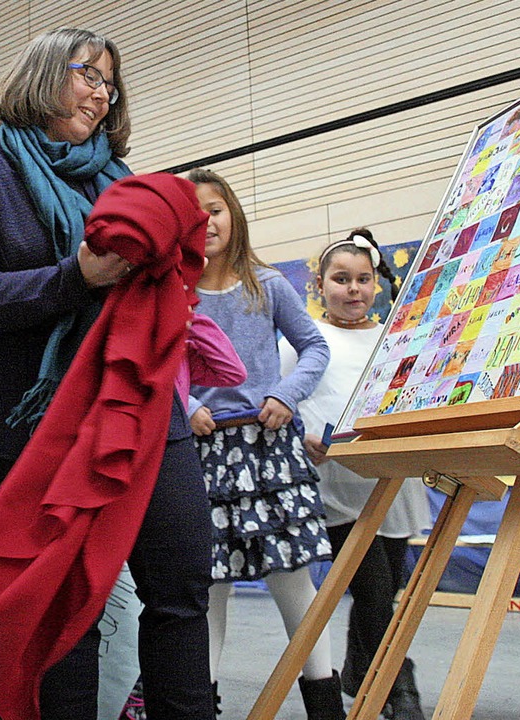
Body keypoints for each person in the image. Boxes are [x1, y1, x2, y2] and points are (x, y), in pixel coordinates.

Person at [0, 28, 213, 720]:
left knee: (180, 585)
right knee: (63, 609)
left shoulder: (124, 183)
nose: (100, 92)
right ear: (42, 73)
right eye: (87, 74)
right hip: (33, 424)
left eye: (108, 83)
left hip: (137, 412)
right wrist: (76, 276)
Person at [186, 168, 343, 720]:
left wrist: (286, 393)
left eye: (216, 209)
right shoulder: (175, 295)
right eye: (194, 211)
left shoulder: (267, 284)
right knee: (209, 590)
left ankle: (325, 704)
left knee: (291, 579)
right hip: (204, 456)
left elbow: (314, 347)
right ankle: (200, 704)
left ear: (234, 214)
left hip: (270, 450)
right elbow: (159, 367)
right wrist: (188, 408)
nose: (205, 221)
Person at [280, 228, 429, 720]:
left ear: (375, 284)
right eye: (341, 279)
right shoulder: (303, 339)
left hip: (392, 482)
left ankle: (359, 664)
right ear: (320, 284)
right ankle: (398, 690)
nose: (353, 289)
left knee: (385, 588)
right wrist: (302, 437)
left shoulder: (394, 340)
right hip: (338, 490)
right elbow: (281, 402)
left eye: (363, 279)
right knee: (372, 594)